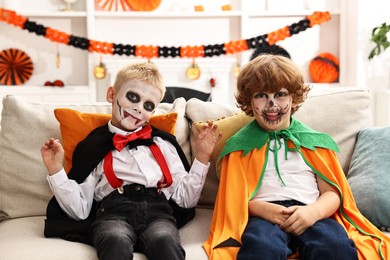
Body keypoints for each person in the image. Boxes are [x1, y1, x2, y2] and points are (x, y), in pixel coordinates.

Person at [203, 54, 390, 259]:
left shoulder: (313, 142)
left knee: (336, 249)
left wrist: (314, 212)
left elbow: (333, 195)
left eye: (280, 94)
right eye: (261, 95)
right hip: (264, 216)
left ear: (293, 99)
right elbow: (233, 200)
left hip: (311, 213)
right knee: (260, 249)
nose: (271, 104)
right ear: (250, 100)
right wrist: (263, 210)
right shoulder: (239, 146)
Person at [41, 62, 222, 260]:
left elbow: (186, 200)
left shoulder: (163, 144)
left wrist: (202, 158)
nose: (137, 109)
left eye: (148, 105)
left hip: (158, 212)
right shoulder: (94, 145)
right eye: (133, 97)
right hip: (112, 212)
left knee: (165, 242)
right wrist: (56, 170)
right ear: (112, 95)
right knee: (114, 241)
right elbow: (80, 210)